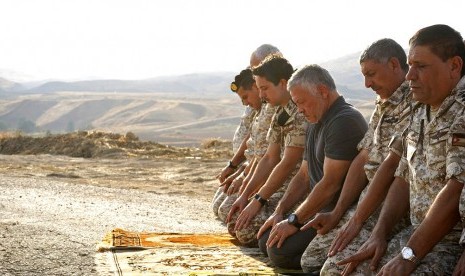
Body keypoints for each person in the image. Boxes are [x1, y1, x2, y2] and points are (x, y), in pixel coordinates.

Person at [336, 24, 465, 275]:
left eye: (421, 66)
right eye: (410, 65)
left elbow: (454, 193)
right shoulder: (421, 108)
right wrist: (379, 235)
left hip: (450, 240)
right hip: (415, 232)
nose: (410, 76)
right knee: (336, 270)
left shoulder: (461, 111)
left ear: (454, 66)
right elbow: (403, 176)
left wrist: (409, 255)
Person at [299, 38, 414, 273]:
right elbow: (364, 158)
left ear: (394, 64)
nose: (367, 83)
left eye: (371, 74)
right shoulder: (384, 104)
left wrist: (359, 221)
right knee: (310, 261)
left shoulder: (415, 102)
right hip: (367, 200)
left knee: (331, 269)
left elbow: (393, 171)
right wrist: (339, 212)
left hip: (392, 206)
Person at [257, 64, 368, 269]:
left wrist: (294, 221)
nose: (299, 109)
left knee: (279, 252)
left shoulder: (344, 121)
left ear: (323, 92)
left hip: (339, 212)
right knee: (266, 241)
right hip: (319, 208)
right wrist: (280, 212)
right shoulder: (315, 119)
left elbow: (330, 184)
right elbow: (304, 175)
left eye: (301, 102)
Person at [225, 55, 308, 247]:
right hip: (279, 184)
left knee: (246, 232)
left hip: (298, 188)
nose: (261, 96)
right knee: (237, 222)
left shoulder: (300, 111)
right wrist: (246, 196)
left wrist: (259, 199)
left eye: (264, 88)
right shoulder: (281, 111)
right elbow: (269, 158)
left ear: (282, 83)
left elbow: (287, 163)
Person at [212, 44, 281, 215]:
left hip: (275, 176)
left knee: (234, 218)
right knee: (223, 207)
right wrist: (238, 170)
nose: (253, 73)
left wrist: (244, 177)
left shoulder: (281, 101)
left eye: (256, 68)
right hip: (253, 168)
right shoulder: (265, 102)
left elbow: (271, 157)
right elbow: (256, 146)